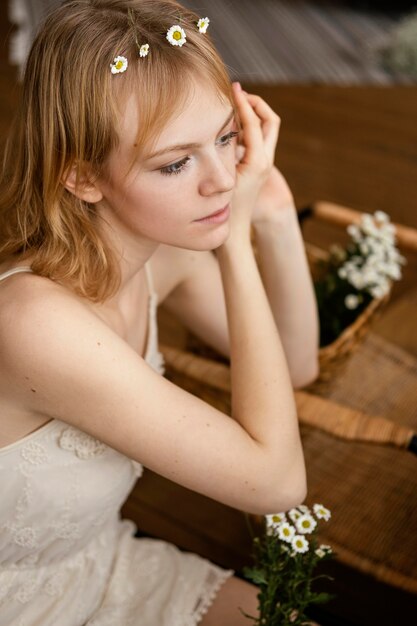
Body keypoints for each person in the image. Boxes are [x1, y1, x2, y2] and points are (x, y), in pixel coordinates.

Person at [0, 0, 320, 624]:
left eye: (227, 138)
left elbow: (297, 365)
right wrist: (233, 243)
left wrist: (276, 222)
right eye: (176, 163)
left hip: (96, 564)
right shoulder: (32, 322)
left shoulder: (154, 259)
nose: (225, 179)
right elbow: (276, 480)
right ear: (83, 177)